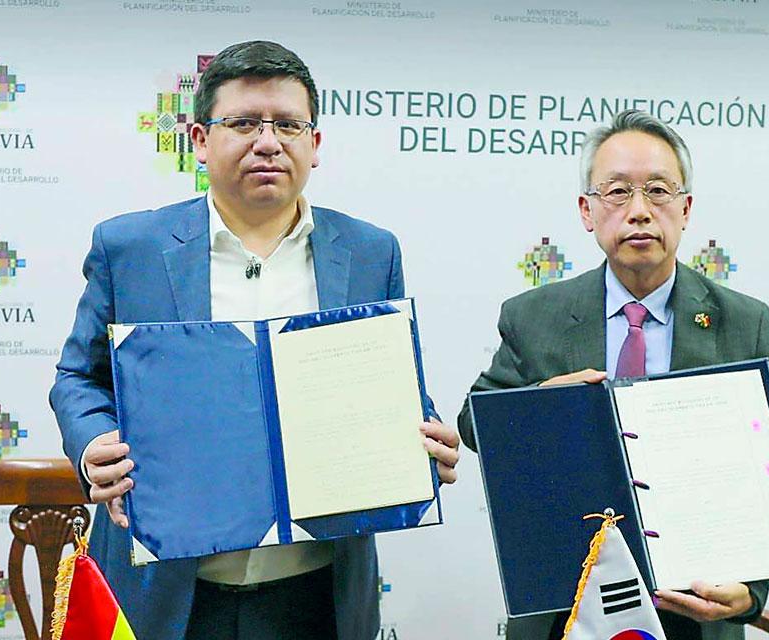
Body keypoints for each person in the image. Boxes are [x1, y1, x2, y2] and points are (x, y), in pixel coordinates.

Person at [50, 40, 461, 640]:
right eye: (242, 122)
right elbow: (77, 378)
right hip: (168, 594)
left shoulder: (371, 252)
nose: (267, 141)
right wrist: (92, 447)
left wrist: (425, 436)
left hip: (317, 593)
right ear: (198, 139)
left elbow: (387, 387)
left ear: (314, 145)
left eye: (289, 124)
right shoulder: (130, 248)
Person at [456, 109, 769, 640]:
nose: (639, 212)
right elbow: (475, 425)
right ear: (587, 212)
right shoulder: (533, 315)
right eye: (617, 193)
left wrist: (751, 593)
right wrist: (540, 401)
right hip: (566, 606)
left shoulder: (743, 322)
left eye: (658, 191)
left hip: (694, 606)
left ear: (685, 209)